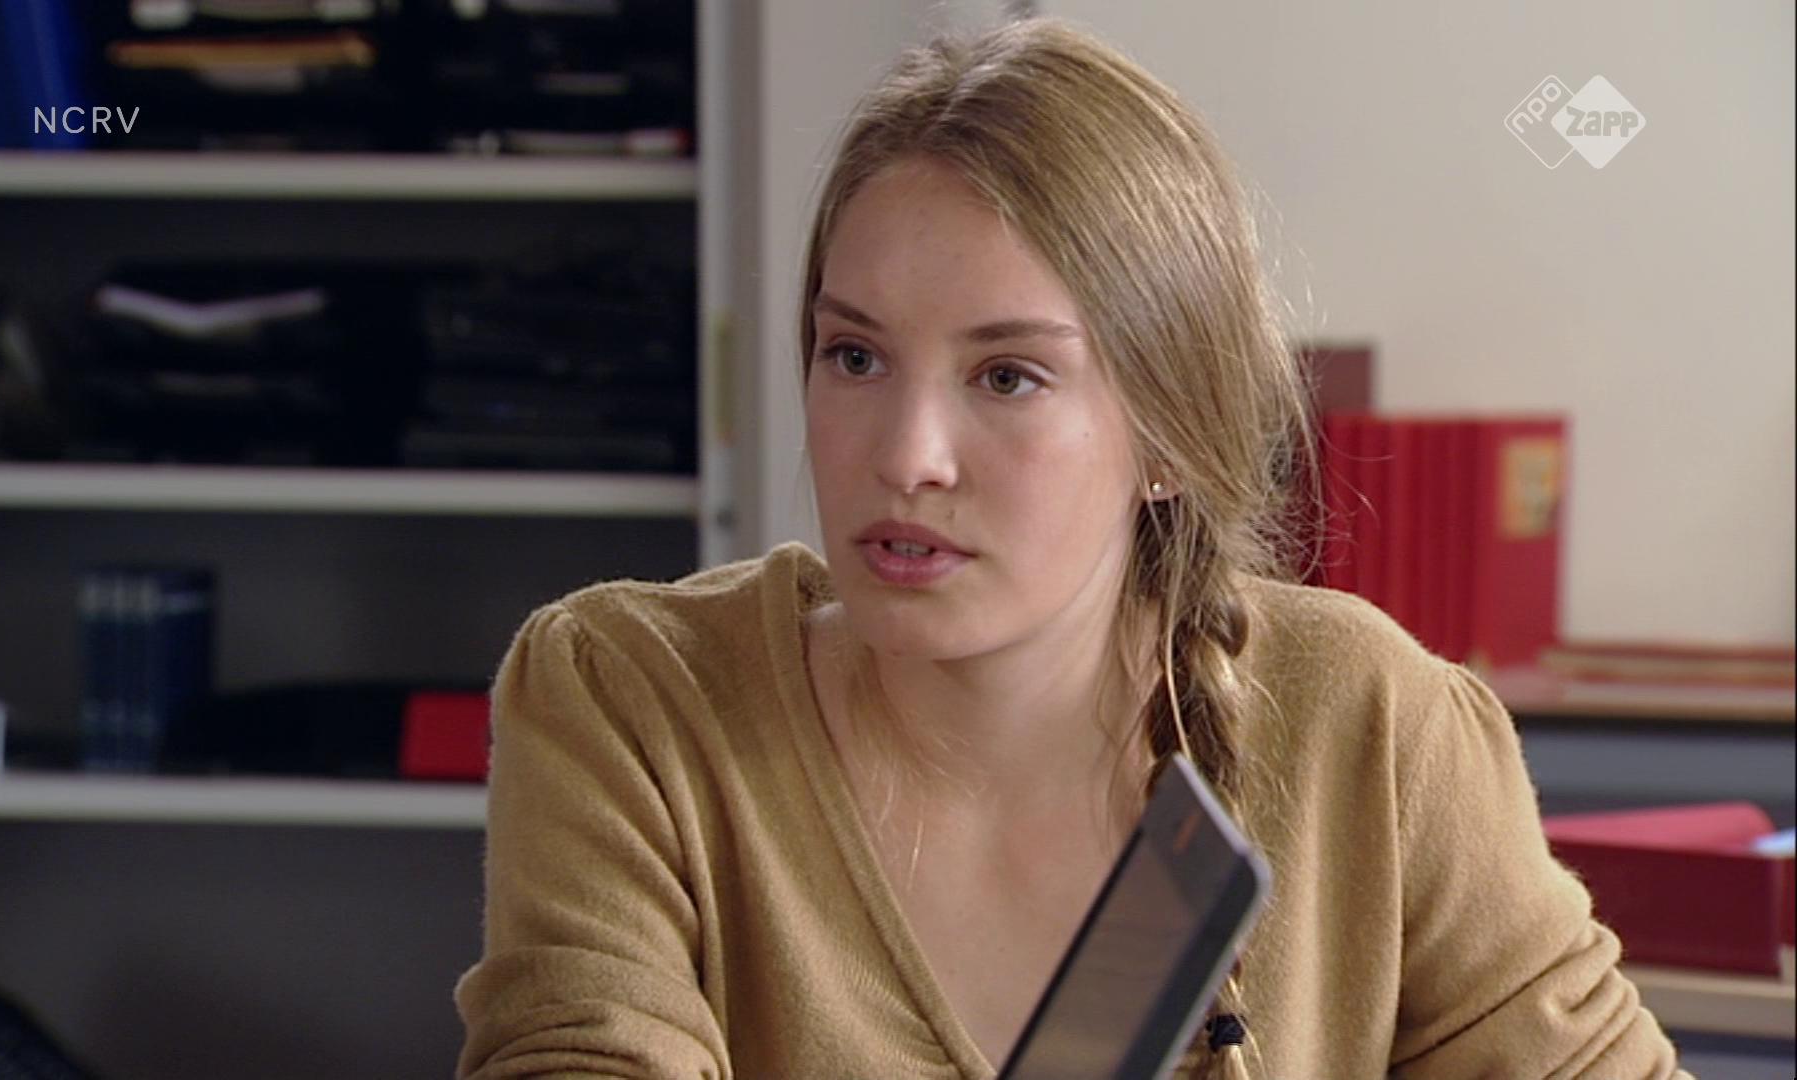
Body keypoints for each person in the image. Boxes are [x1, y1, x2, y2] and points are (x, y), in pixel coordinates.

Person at [454, 18, 1686, 1080]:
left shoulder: (1373, 728)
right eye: (855, 356)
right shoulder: (632, 698)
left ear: (1168, 437)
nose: (907, 455)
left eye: (1008, 376)